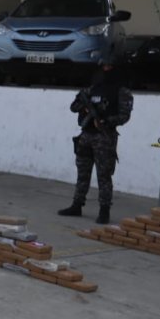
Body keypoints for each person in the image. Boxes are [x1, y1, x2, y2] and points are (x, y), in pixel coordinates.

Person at [58, 56, 134, 224]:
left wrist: (105, 120)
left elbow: (124, 116)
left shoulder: (122, 91)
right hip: (86, 135)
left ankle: (104, 210)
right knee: (82, 173)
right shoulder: (91, 89)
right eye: (103, 66)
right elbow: (73, 106)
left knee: (104, 176)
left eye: (109, 66)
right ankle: (77, 205)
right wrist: (85, 108)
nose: (105, 69)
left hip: (104, 137)